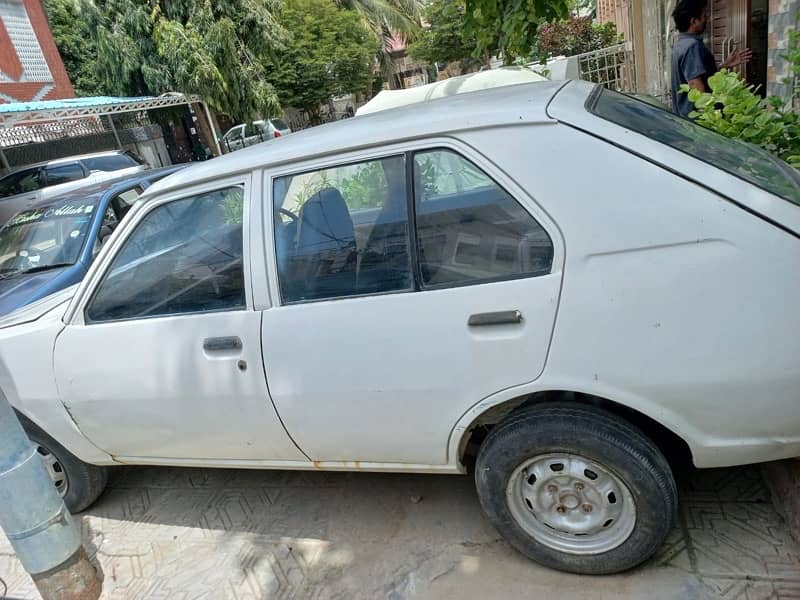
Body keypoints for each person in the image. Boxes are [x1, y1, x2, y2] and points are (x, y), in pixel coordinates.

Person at [671, 0, 752, 118]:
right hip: (699, 122)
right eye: (704, 16)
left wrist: (725, 65)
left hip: (686, 118)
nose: (707, 20)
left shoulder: (680, 45)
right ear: (693, 21)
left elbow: (702, 77)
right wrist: (712, 121)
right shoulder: (692, 47)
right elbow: (696, 86)